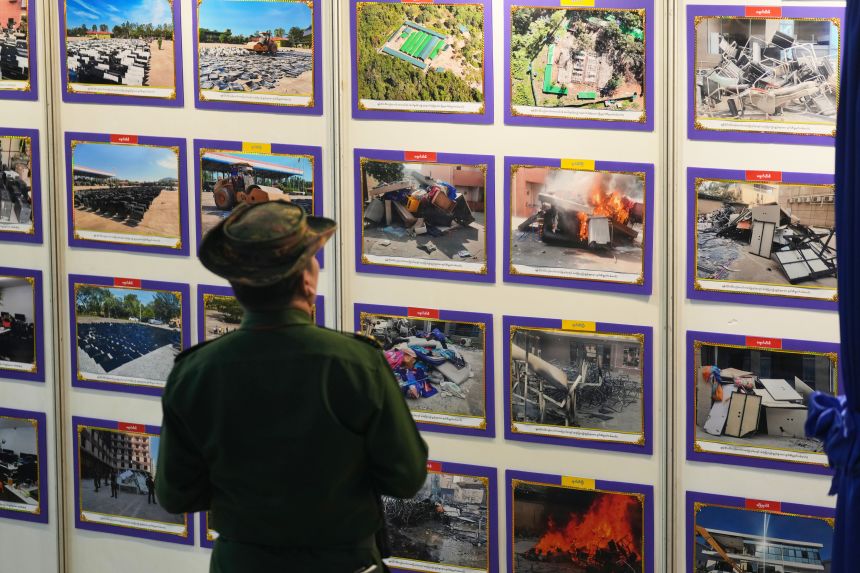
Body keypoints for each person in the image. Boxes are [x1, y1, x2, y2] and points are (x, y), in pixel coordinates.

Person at [156, 202, 428, 573]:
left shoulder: (194, 373)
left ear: (237, 285)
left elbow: (175, 494)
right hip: (342, 563)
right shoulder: (357, 363)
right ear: (306, 277)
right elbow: (406, 477)